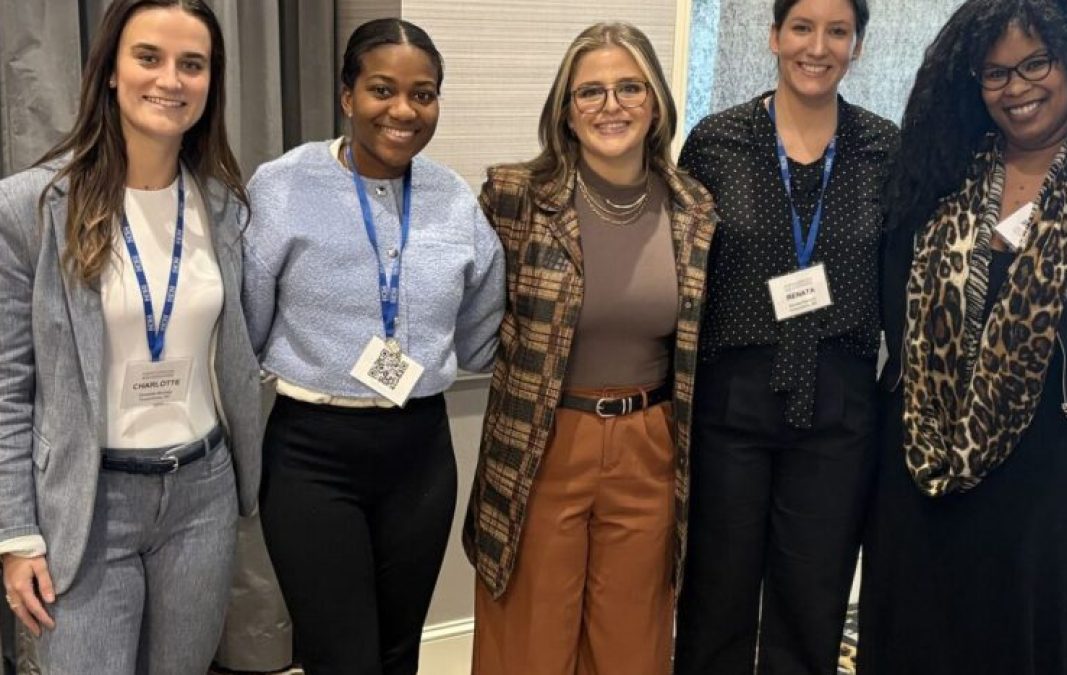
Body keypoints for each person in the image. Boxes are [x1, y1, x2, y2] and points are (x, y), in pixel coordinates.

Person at [856, 1, 1067, 673]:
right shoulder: (945, 167)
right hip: (928, 480)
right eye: (995, 73)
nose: (1016, 88)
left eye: (1036, 64)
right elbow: (898, 312)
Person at [0, 1, 261, 672]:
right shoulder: (31, 208)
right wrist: (16, 532)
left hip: (201, 493)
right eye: (149, 57)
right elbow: (8, 386)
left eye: (192, 64)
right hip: (87, 505)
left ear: (211, 82)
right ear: (112, 70)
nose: (170, 80)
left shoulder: (223, 205)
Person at [242, 18, 504, 675]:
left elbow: (479, 333)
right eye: (382, 89)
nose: (403, 110)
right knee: (343, 658)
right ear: (347, 95)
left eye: (423, 94)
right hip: (313, 454)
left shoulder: (453, 200)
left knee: (397, 652)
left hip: (420, 454)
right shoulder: (283, 186)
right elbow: (248, 324)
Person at [462, 21, 717, 675]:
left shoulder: (693, 208)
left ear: (655, 103)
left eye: (630, 87)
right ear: (566, 111)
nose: (612, 106)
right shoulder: (515, 196)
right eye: (591, 92)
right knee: (529, 643)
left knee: (632, 644)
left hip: (649, 444)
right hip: (542, 443)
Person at [672, 1, 897, 673]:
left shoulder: (885, 148)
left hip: (839, 406)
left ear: (858, 45)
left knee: (812, 600)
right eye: (802, 27)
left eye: (837, 31)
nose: (817, 47)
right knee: (716, 595)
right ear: (774, 37)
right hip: (732, 401)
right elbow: (682, 274)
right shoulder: (716, 141)